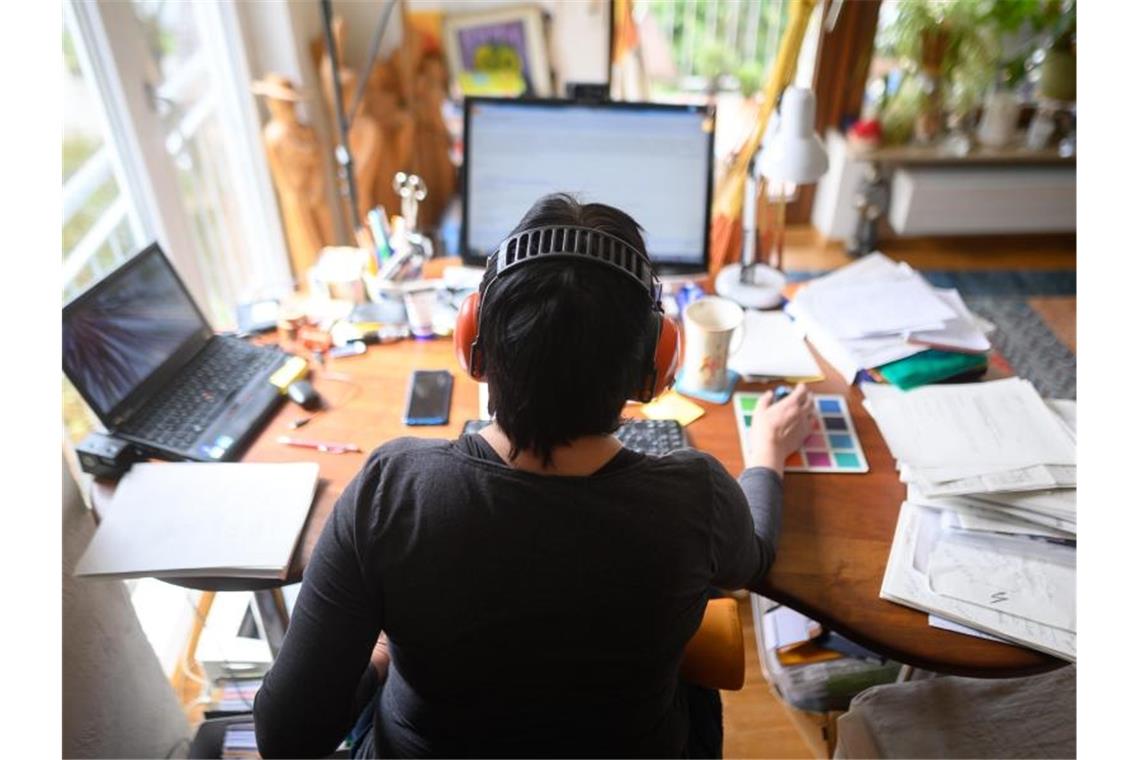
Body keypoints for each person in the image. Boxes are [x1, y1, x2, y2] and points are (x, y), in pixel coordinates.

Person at [253, 194, 814, 758]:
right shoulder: (698, 497)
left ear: (473, 341)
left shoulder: (391, 491)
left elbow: (288, 737)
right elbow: (755, 557)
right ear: (654, 365)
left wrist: (378, 657)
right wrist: (766, 453)